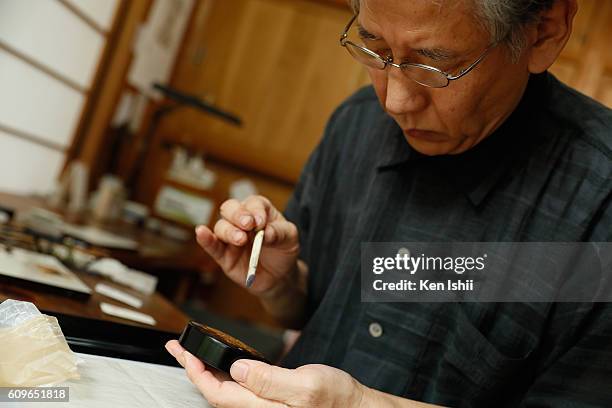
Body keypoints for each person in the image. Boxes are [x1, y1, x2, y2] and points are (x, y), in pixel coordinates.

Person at [166, 0, 612, 406]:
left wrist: (359, 405)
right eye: (374, 48)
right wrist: (282, 285)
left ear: (545, 31)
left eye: (435, 65)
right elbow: (314, 310)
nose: (396, 101)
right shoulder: (357, 123)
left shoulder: (599, 201)